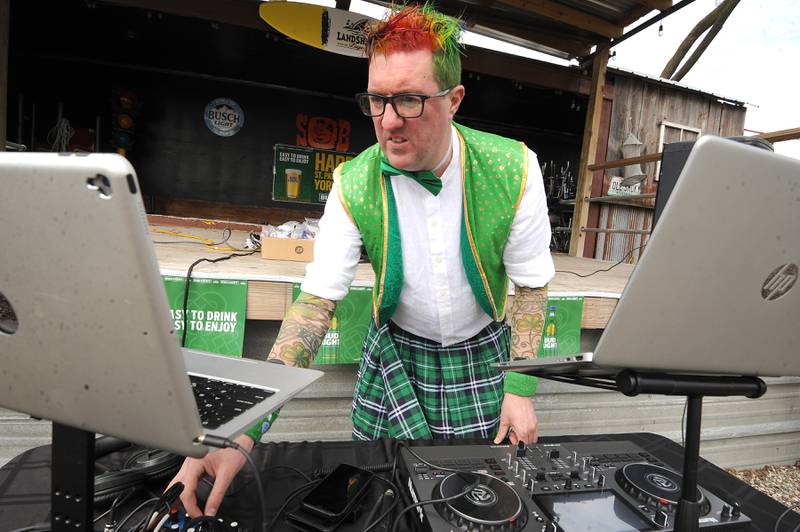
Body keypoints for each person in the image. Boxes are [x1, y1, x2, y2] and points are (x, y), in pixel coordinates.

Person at [170, 3, 554, 517]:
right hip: (395, 352)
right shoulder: (353, 182)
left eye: (410, 101)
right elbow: (315, 304)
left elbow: (530, 286)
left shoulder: (516, 168)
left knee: (475, 503)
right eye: (377, 100)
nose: (389, 122)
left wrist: (521, 387)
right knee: (379, 503)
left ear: (454, 99)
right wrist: (244, 428)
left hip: (483, 357)